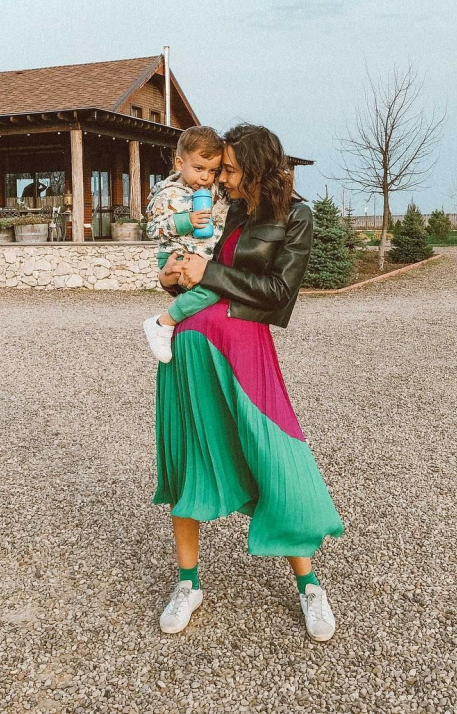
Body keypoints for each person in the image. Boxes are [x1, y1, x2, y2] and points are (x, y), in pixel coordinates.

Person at [153, 123, 344, 642]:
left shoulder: (295, 217)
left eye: (232, 170)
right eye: (220, 169)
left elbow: (279, 292)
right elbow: (183, 261)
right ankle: (188, 583)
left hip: (245, 352)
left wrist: (208, 273)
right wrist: (169, 277)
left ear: (257, 169)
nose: (222, 178)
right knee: (189, 459)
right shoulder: (224, 209)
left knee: (274, 457)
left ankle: (309, 586)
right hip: (189, 349)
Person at [142, 126, 229, 362]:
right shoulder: (168, 194)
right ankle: (163, 322)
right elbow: (152, 229)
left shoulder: (211, 190)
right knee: (212, 290)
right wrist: (186, 221)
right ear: (180, 163)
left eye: (212, 171)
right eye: (199, 168)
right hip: (176, 255)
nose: (205, 177)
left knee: (213, 293)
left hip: (199, 257)